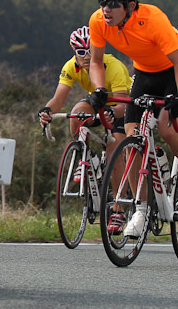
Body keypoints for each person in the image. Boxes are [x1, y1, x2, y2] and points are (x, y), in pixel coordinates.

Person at [87, 0, 178, 238]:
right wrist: (99, 89)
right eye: (102, 1)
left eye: (113, 3)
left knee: (167, 127)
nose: (106, 9)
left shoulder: (153, 20)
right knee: (131, 140)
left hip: (173, 71)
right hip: (144, 74)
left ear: (130, 4)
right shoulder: (98, 21)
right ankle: (140, 210)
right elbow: (95, 62)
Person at [38, 26, 132, 234]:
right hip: (97, 100)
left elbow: (123, 106)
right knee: (76, 114)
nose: (86, 56)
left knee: (114, 151)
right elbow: (59, 98)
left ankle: (118, 209)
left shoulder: (113, 66)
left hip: (119, 103)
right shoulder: (71, 66)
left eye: (90, 50)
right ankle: (84, 155)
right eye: (81, 52)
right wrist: (47, 111)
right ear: (75, 53)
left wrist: (110, 114)